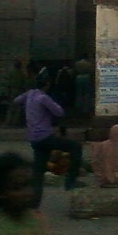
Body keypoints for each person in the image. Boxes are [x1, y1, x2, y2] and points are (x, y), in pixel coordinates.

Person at [13, 75, 84, 207]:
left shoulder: (29, 94)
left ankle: (34, 204)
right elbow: (59, 112)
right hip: (46, 137)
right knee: (76, 147)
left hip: (34, 139)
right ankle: (70, 180)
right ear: (47, 85)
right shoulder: (43, 98)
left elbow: (16, 100)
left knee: (38, 172)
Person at [4, 60, 26, 128]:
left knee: (11, 107)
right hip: (19, 91)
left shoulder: (12, 73)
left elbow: (9, 84)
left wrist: (8, 93)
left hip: (13, 90)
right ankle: (15, 122)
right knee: (18, 108)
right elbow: (23, 83)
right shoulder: (21, 74)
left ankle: (8, 122)